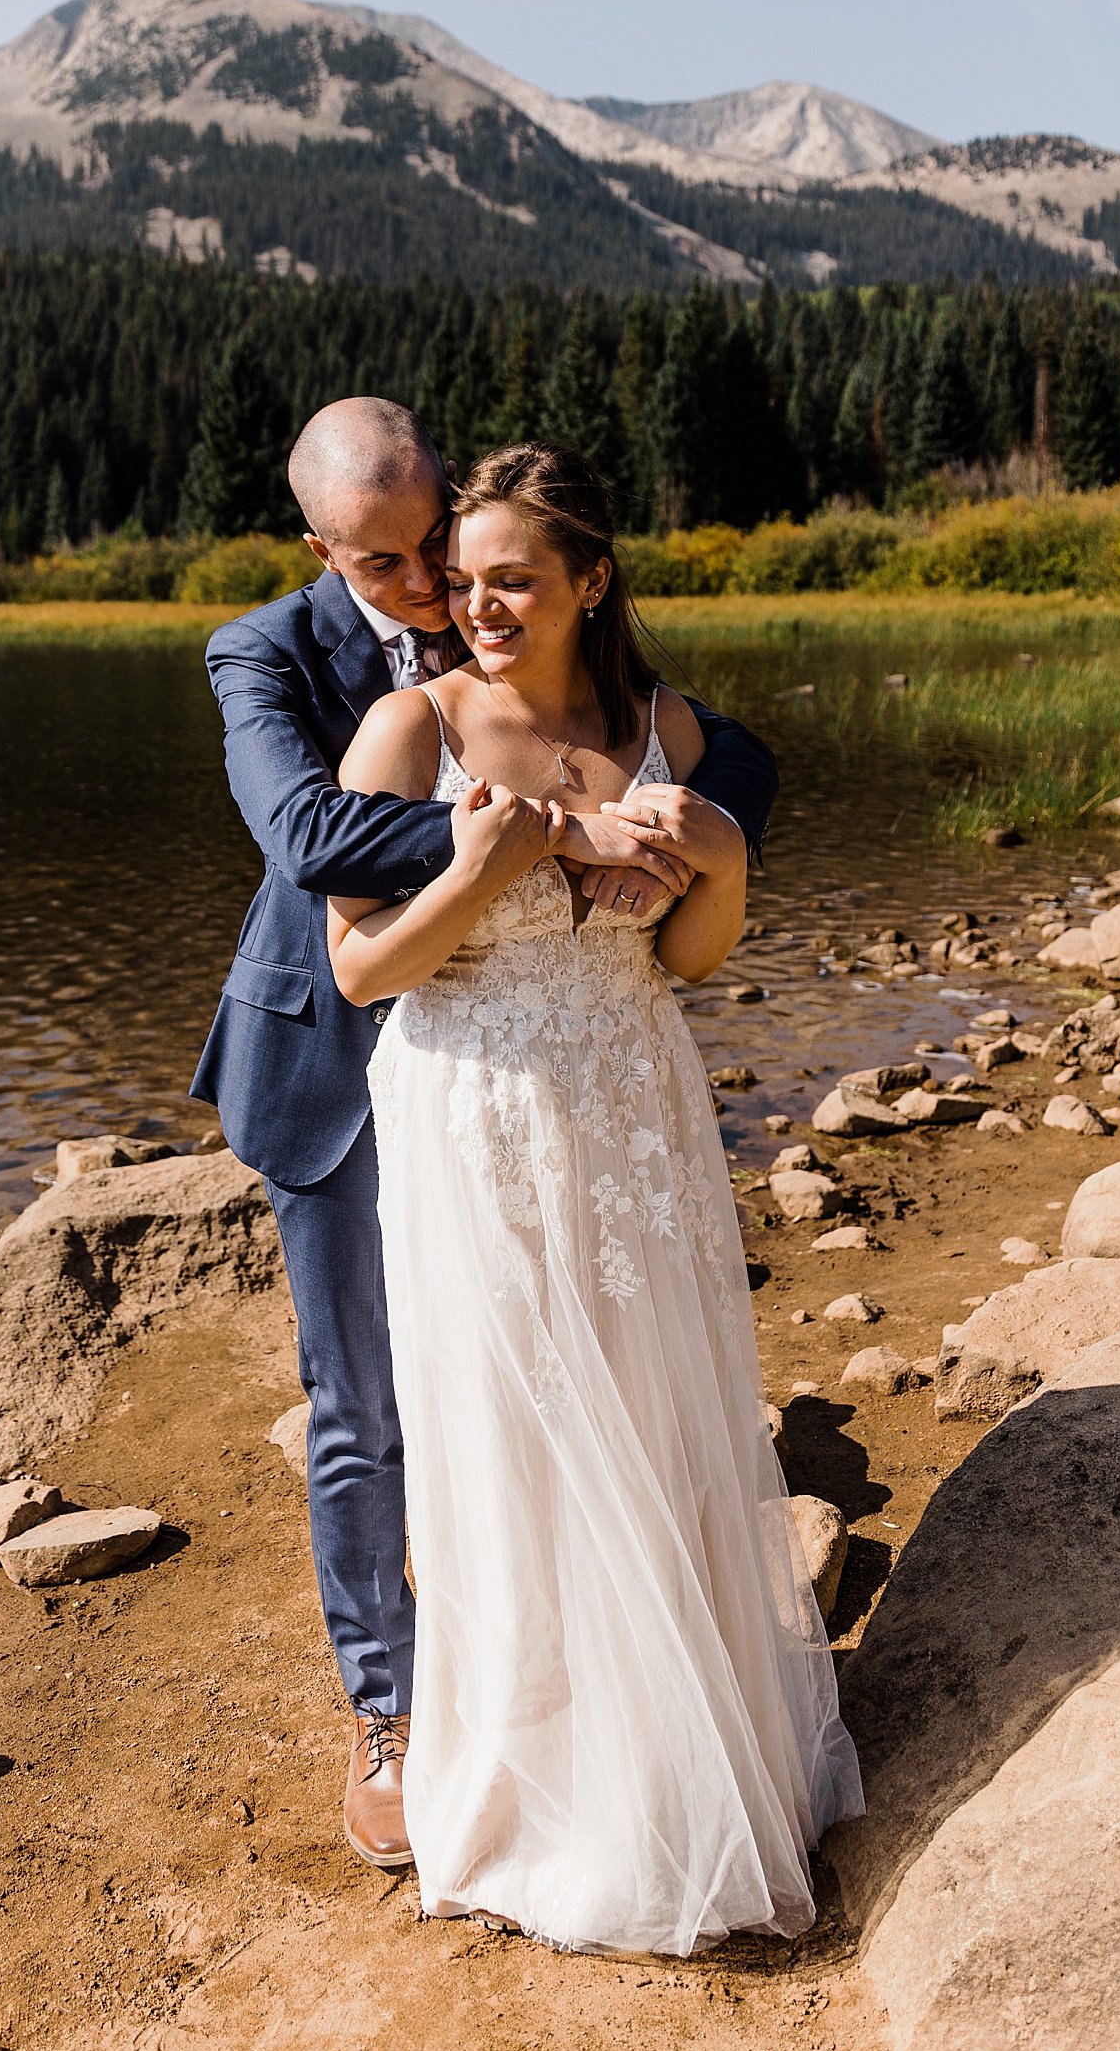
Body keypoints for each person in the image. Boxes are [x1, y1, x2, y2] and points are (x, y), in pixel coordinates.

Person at [192, 399, 781, 1872]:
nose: (432, 592)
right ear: (325, 549)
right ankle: (394, 1711)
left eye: (440, 549)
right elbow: (317, 847)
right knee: (365, 1409)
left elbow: (733, 766)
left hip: (584, 1074)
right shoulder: (269, 657)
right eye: (391, 567)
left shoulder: (569, 643)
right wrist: (567, 834)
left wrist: (697, 827)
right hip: (358, 1060)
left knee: (589, 1372)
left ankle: (627, 1686)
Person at [324, 441, 861, 1955]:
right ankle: (532, 1788)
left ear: (590, 584)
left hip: (634, 1104)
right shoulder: (408, 728)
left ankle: (684, 1762)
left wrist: (720, 862)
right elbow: (359, 969)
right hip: (472, 1113)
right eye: (465, 580)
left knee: (651, 1412)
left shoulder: (661, 727)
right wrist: (482, 870)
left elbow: (689, 961)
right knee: (507, 1437)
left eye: (514, 581)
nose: (479, 605)